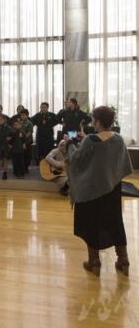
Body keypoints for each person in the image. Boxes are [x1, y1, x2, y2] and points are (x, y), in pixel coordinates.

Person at [65, 106, 132, 277]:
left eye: (94, 120)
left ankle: (94, 261)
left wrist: (69, 144)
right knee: (115, 221)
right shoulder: (118, 139)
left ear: (99, 121)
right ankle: (123, 259)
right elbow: (118, 161)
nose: (92, 123)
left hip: (92, 190)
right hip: (113, 187)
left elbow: (76, 160)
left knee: (91, 223)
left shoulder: (91, 141)